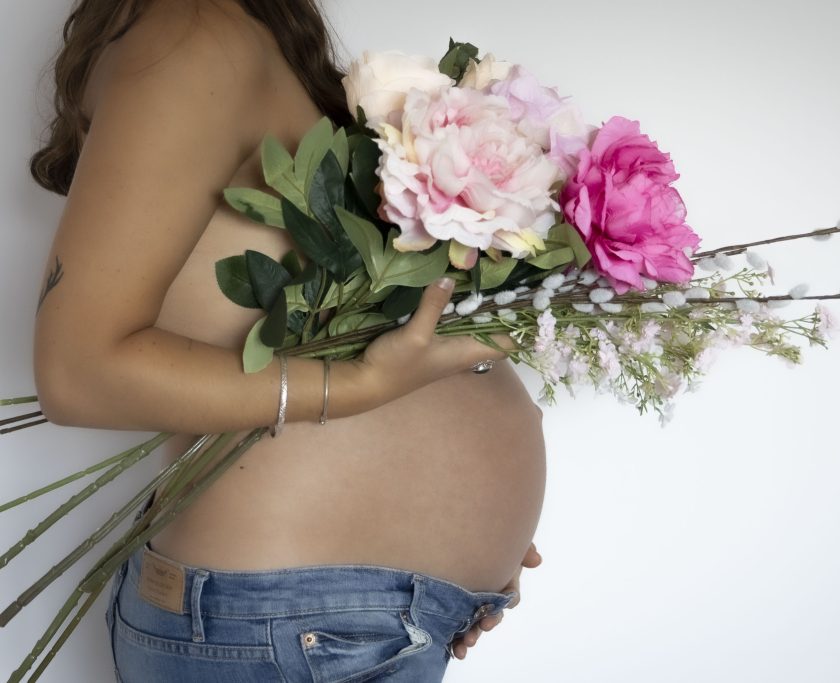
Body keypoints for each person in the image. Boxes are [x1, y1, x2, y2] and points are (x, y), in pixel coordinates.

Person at [29, 0, 547, 680]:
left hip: (335, 620)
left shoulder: (256, 44)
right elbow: (78, 374)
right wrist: (356, 388)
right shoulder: (191, 33)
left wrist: (466, 532)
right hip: (290, 625)